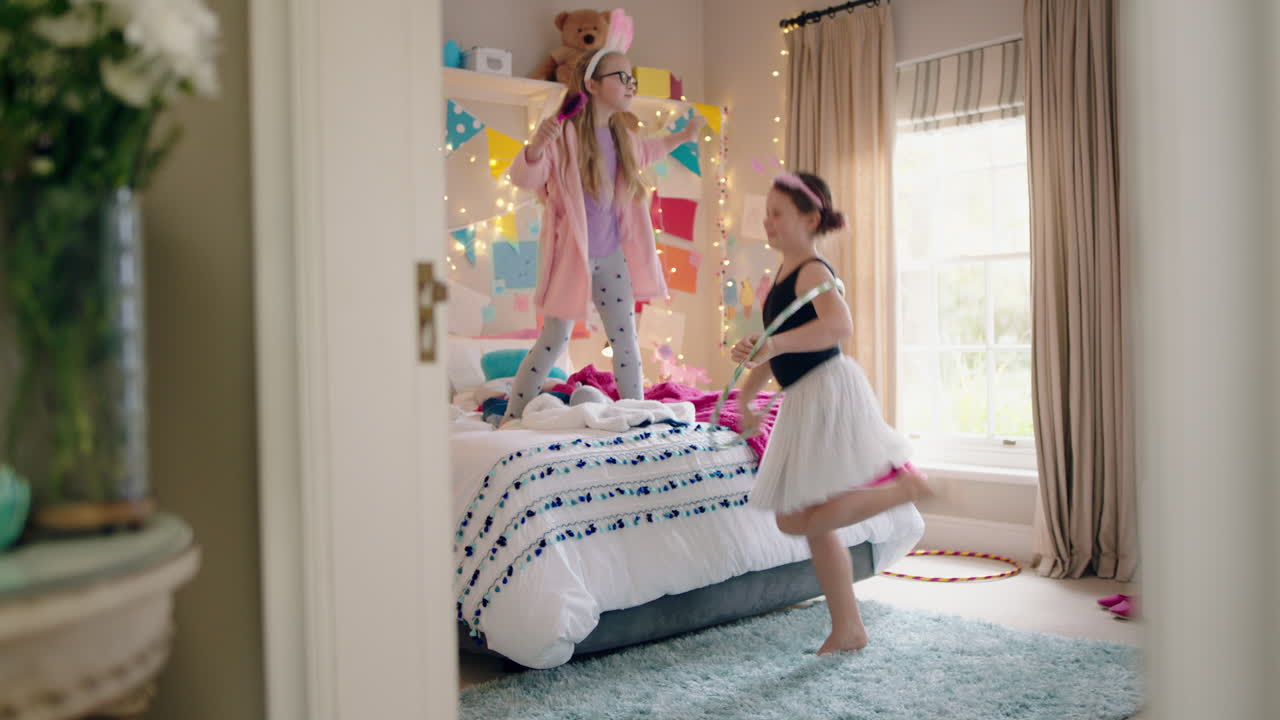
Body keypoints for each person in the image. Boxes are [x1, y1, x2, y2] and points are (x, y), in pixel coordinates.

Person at [731, 171, 932, 654]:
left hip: (826, 390)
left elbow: (838, 324)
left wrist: (771, 344)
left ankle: (902, 489)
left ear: (810, 219)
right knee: (800, 520)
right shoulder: (779, 278)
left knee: (806, 517)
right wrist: (746, 396)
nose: (768, 221)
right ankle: (848, 628)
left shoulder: (814, 272)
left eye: (778, 213)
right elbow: (773, 349)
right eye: (768, 213)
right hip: (802, 394)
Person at [500, 49, 703, 426]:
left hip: (612, 258)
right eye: (620, 78)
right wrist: (535, 147)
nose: (630, 85)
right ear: (591, 85)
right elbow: (525, 178)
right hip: (572, 260)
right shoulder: (562, 134)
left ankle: (635, 414)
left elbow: (649, 150)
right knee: (553, 342)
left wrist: (683, 135)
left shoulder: (623, 136)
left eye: (632, 79)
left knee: (625, 341)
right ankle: (511, 418)